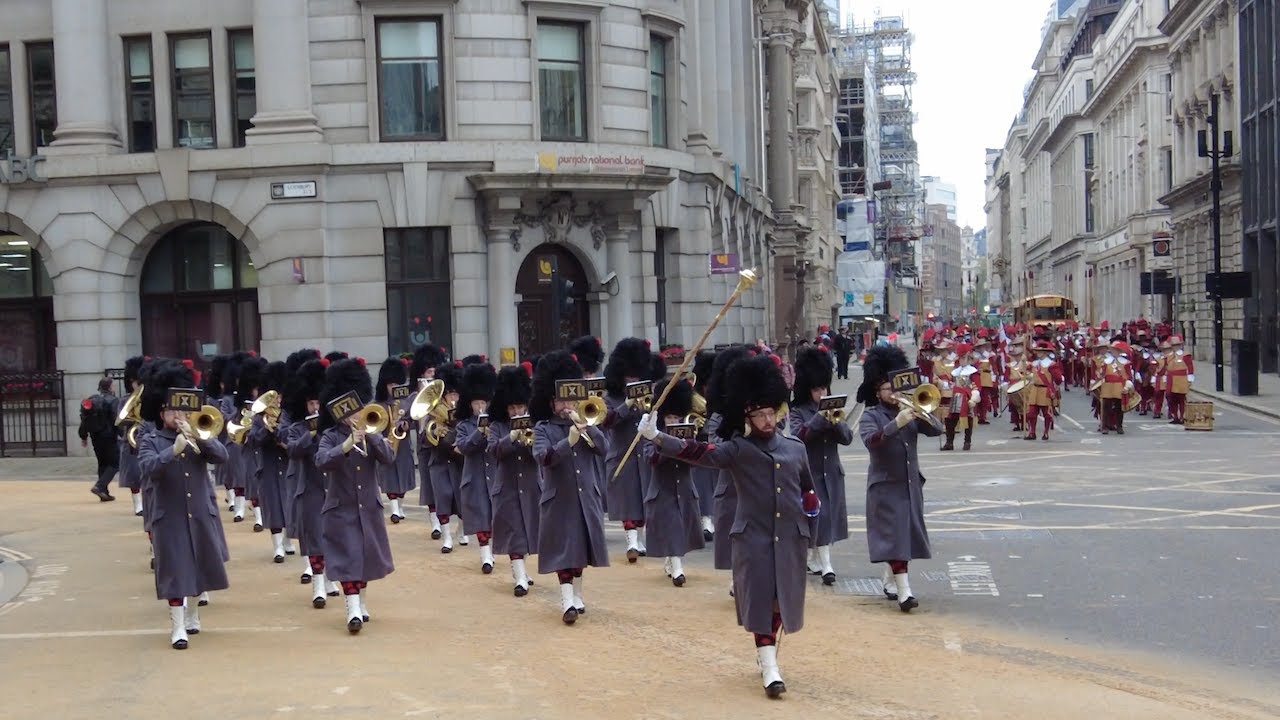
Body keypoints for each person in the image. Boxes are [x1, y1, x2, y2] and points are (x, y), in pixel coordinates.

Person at [638, 354, 819, 699]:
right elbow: (697, 451)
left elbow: (808, 490)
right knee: (762, 603)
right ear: (746, 416)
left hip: (790, 539)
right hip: (753, 538)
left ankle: (767, 656)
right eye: (760, 414)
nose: (768, 421)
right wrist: (657, 436)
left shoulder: (795, 448)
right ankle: (769, 666)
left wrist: (811, 512)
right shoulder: (737, 450)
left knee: (781, 603)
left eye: (771, 413)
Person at [136, 360, 231, 650]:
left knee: (198, 564)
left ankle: (192, 614)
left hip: (199, 511)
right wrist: (173, 449)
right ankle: (177, 626)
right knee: (175, 570)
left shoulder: (198, 434)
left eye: (183, 409)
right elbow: (149, 468)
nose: (179, 415)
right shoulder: (149, 439)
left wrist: (199, 438)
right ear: (160, 411)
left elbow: (222, 456)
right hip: (170, 514)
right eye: (173, 410)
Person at [855, 345, 943, 612]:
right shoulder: (871, 415)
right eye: (887, 389)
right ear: (876, 391)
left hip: (909, 484)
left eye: (895, 388)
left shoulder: (908, 407)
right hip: (885, 485)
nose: (893, 394)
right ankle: (905, 593)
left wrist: (921, 411)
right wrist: (897, 423)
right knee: (895, 537)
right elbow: (873, 441)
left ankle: (891, 579)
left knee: (905, 536)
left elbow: (937, 430)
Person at [314, 358, 396, 634]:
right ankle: (352, 610)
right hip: (341, 507)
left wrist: (371, 435)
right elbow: (322, 460)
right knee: (348, 558)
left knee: (364, 558)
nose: (353, 415)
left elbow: (388, 458)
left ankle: (360, 600)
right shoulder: (329, 436)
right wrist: (346, 445)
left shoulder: (372, 431)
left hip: (368, 508)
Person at [531, 351, 609, 624]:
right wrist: (568, 442)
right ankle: (566, 603)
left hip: (585, 497)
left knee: (579, 550)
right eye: (563, 399)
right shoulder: (543, 428)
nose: (567, 405)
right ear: (551, 402)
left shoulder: (586, 422)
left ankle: (576, 594)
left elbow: (604, 449)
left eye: (572, 399)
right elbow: (543, 458)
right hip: (558, 499)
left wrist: (587, 427)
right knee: (563, 551)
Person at [788, 346, 851, 584]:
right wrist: (819, 419)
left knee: (824, 520)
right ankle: (826, 566)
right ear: (808, 389)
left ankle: (815, 558)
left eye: (824, 388)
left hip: (832, 473)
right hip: (810, 473)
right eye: (816, 389)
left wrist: (835, 422)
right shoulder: (798, 411)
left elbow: (846, 438)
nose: (821, 393)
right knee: (818, 518)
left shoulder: (834, 407)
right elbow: (797, 437)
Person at [284, 357, 341, 607]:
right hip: (310, 488)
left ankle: (329, 580)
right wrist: (311, 434)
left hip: (333, 488)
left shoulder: (334, 429)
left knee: (332, 537)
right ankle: (318, 584)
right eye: (311, 403)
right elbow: (293, 450)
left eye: (319, 402)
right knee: (315, 538)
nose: (315, 407)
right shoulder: (298, 427)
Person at [640, 377, 705, 586]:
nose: (674, 422)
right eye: (669, 418)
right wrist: (667, 444)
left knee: (679, 528)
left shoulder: (689, 434)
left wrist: (689, 445)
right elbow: (651, 459)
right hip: (663, 489)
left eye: (677, 418)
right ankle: (678, 569)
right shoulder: (652, 435)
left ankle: (671, 559)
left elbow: (697, 461)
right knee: (673, 526)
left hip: (684, 489)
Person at [487, 364, 539, 597]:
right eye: (512, 408)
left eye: (520, 407)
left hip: (530, 486)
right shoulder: (497, 426)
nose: (517, 412)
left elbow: (540, 454)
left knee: (527, 531)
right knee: (514, 532)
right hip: (507, 487)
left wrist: (530, 441)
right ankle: (519, 577)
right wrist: (511, 437)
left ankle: (522, 570)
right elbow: (492, 451)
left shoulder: (536, 425)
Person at [602, 337, 654, 561]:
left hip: (645, 451)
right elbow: (608, 421)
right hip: (623, 452)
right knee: (628, 498)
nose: (632, 379)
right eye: (628, 376)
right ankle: (631, 542)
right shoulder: (610, 398)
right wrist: (628, 405)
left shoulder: (648, 393)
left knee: (643, 498)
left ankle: (639, 540)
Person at [455, 361, 499, 574]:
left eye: (483, 402)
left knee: (497, 518)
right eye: (476, 403)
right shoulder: (464, 425)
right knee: (481, 517)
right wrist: (479, 431)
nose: (479, 406)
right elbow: (463, 447)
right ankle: (485, 557)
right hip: (475, 477)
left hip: (495, 476)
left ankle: (498, 554)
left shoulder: (496, 423)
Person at [410, 343, 448, 539]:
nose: (431, 375)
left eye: (433, 372)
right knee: (429, 485)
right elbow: (407, 419)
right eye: (428, 372)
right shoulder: (414, 397)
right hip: (425, 446)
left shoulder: (444, 395)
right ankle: (435, 522)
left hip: (442, 445)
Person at [375, 358, 415, 523]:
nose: (393, 388)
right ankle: (394, 510)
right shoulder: (379, 403)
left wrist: (407, 424)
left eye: (396, 385)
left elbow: (413, 418)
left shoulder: (406, 401)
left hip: (403, 444)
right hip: (386, 441)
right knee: (389, 475)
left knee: (404, 475)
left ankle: (399, 505)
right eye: (390, 385)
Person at [80, 377, 121, 502]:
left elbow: (84, 420)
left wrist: (83, 436)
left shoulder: (93, 400)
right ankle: (100, 486)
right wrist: (122, 434)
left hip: (95, 436)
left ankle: (104, 493)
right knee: (115, 463)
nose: (114, 387)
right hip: (109, 436)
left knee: (102, 463)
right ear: (109, 387)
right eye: (113, 385)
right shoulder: (113, 400)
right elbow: (116, 420)